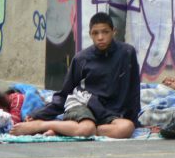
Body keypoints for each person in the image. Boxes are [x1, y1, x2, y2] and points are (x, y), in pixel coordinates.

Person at [10, 12, 141, 138]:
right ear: (90, 35)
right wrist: (40, 115)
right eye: (95, 33)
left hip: (109, 112)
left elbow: (134, 89)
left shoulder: (127, 53)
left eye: (105, 32)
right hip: (82, 104)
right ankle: (41, 125)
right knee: (86, 128)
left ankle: (66, 130)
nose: (100, 37)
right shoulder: (81, 59)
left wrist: (135, 120)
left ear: (114, 31)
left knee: (126, 128)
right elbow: (65, 93)